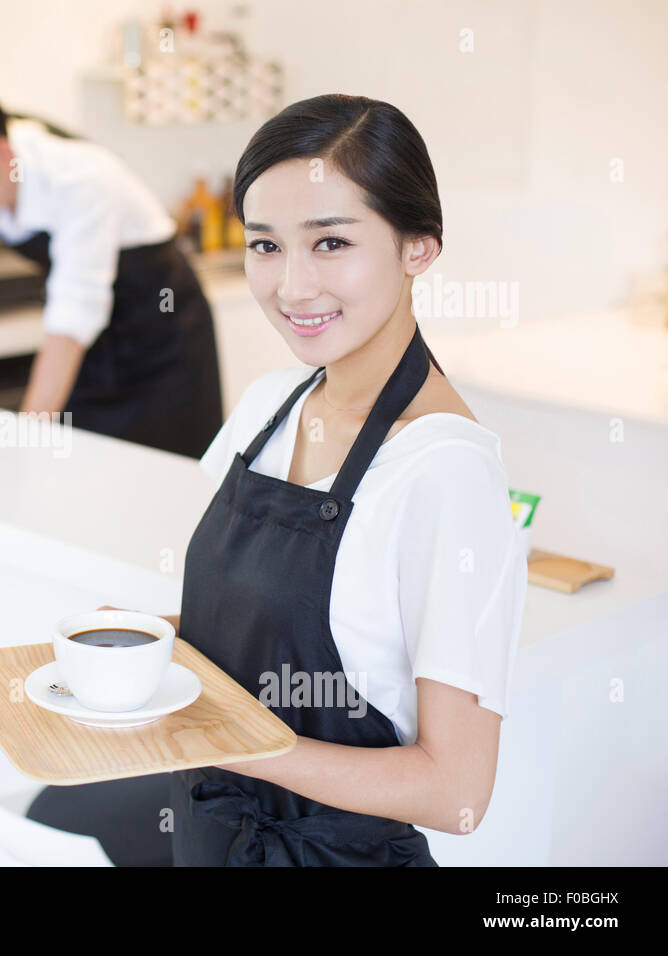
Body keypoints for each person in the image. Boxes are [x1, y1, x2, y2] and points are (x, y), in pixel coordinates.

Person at [110, 94, 528, 865]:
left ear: (419, 247)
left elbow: (457, 792)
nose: (292, 287)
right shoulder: (270, 404)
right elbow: (245, 643)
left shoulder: (446, 473)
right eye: (265, 246)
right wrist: (134, 652)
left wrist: (229, 742)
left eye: (330, 242)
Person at [0, 85, 224, 459]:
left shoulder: (82, 180)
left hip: (161, 337)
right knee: (84, 474)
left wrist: (22, 447)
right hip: (92, 346)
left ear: (4, 156)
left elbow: (73, 317)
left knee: (163, 480)